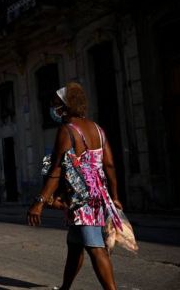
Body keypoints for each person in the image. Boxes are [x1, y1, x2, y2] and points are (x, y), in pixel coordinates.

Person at [27, 82, 123, 290]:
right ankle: (65, 288)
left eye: (56, 104)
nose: (53, 108)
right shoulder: (98, 130)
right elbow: (110, 165)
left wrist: (40, 202)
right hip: (99, 196)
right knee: (75, 246)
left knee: (96, 248)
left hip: (83, 201)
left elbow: (56, 171)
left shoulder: (67, 131)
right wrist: (114, 196)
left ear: (67, 105)